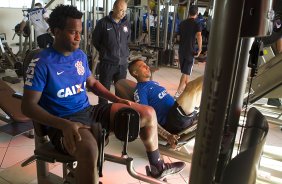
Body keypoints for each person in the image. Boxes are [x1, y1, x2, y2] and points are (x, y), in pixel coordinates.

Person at [21, 4, 185, 184]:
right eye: (72, 32)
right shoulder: (41, 62)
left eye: (80, 32)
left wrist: (116, 99)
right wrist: (64, 124)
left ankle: (157, 167)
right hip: (62, 122)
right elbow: (28, 107)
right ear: (56, 31)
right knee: (90, 150)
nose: (78, 37)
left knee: (147, 113)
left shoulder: (80, 56)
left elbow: (92, 83)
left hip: (88, 111)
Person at [128, 59, 203, 135]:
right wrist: (166, 135)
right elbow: (146, 115)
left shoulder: (153, 83)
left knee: (199, 91)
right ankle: (213, 73)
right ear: (135, 73)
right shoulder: (140, 90)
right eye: (142, 66)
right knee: (191, 87)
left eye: (146, 65)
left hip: (180, 115)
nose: (147, 67)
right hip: (172, 121)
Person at [92, 0, 131, 104]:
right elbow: (95, 40)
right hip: (107, 63)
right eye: (121, 10)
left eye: (125, 11)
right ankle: (103, 113)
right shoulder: (103, 23)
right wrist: (105, 52)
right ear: (114, 9)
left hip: (122, 64)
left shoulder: (126, 23)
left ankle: (119, 113)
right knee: (104, 91)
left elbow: (127, 40)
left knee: (122, 92)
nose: (123, 13)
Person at [175, 5, 202, 99]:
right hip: (190, 52)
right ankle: (178, 93)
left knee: (185, 72)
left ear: (188, 12)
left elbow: (178, 37)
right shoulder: (196, 24)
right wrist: (200, 48)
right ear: (197, 13)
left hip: (181, 50)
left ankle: (187, 88)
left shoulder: (182, 23)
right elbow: (199, 36)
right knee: (185, 73)